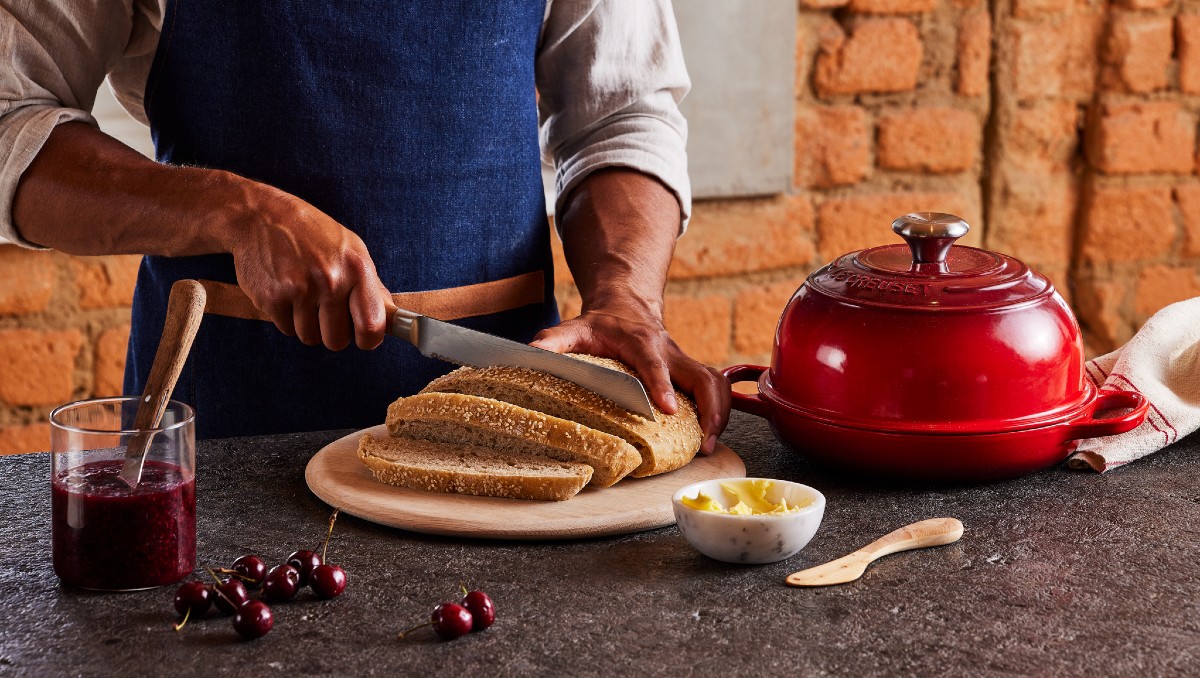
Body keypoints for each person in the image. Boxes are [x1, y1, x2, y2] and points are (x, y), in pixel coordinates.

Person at [0, 1, 731, 450]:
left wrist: (627, 296)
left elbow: (621, 113)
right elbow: (11, 121)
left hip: (508, 439)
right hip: (225, 432)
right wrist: (235, 210)